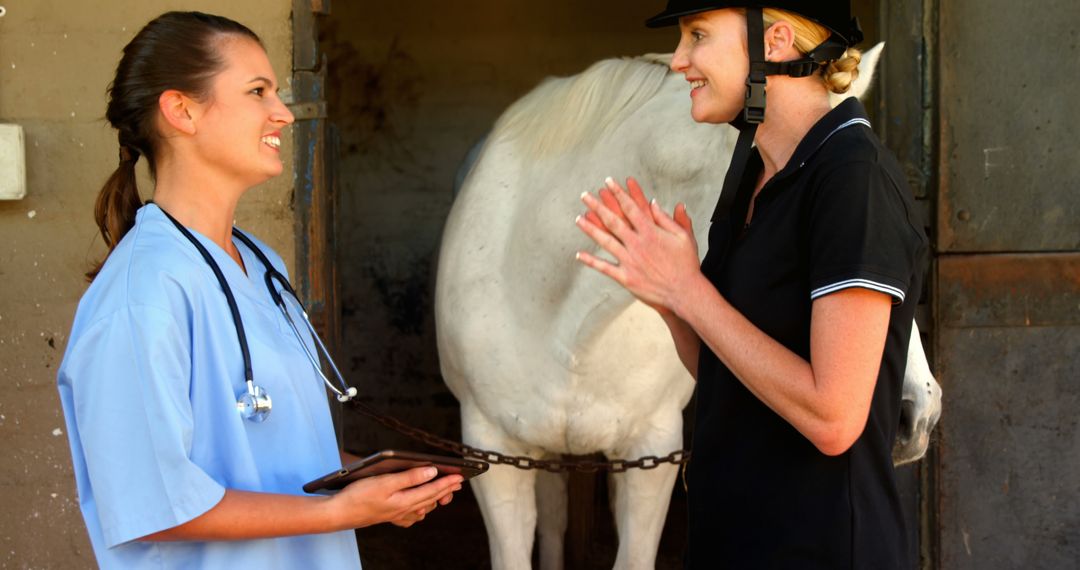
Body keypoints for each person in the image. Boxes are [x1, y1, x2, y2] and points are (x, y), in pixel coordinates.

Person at [56, 11, 461, 568]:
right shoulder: (141, 295)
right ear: (181, 111)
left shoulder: (260, 263)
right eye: (257, 91)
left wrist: (374, 482)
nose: (284, 114)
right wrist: (341, 513)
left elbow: (271, 449)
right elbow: (157, 505)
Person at [574, 1, 928, 568]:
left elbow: (833, 419)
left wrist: (691, 292)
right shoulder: (753, 171)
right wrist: (668, 299)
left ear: (777, 41)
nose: (679, 61)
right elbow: (723, 376)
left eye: (698, 35)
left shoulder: (852, 181)